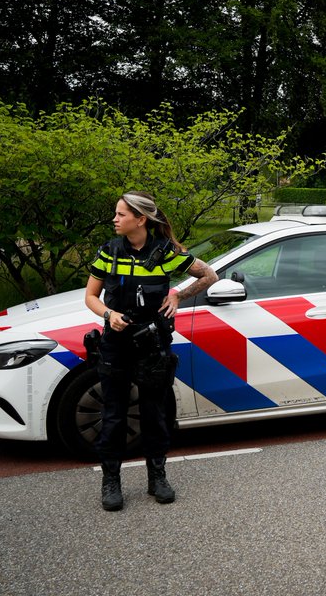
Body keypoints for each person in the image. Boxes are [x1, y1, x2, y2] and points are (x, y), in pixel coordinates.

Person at [84, 191, 218, 511]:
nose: (115, 220)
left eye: (121, 214)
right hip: (115, 344)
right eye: (115, 214)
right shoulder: (108, 252)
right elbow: (91, 296)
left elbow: (209, 275)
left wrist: (178, 296)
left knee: (154, 414)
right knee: (114, 414)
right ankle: (111, 481)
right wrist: (108, 315)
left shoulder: (166, 252)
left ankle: (157, 477)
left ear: (140, 219)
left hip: (153, 344)